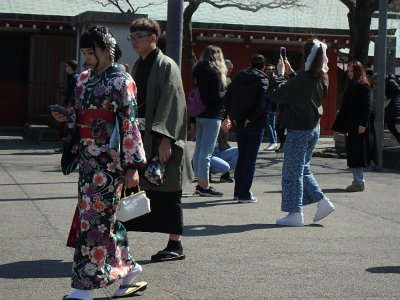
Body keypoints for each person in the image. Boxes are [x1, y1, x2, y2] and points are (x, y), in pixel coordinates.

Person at [51, 26, 147, 300]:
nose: (86, 59)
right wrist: (67, 116)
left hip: (110, 162)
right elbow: (77, 112)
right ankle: (129, 270)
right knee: (102, 220)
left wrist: (132, 167)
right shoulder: (83, 79)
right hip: (88, 159)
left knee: (93, 223)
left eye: (90, 52)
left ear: (106, 50)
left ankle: (83, 290)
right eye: (83, 53)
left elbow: (129, 123)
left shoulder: (121, 80)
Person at [123, 17, 193, 262]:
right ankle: (120, 244)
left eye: (139, 37)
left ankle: (175, 244)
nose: (134, 41)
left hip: (161, 139)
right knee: (138, 189)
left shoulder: (166, 65)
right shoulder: (140, 64)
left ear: (154, 38)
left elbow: (173, 102)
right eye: (132, 37)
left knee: (168, 191)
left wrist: (166, 140)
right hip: (142, 138)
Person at [268, 39, 335, 226]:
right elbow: (301, 90)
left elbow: (276, 93)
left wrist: (280, 74)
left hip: (298, 130)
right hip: (314, 128)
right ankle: (322, 202)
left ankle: (295, 213)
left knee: (292, 173)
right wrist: (291, 73)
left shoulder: (302, 79)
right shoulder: (323, 77)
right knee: (302, 169)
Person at [225, 54, 269, 203]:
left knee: (242, 157)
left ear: (250, 63)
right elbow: (264, 103)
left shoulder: (239, 77)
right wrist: (253, 118)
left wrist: (233, 116)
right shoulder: (263, 79)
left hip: (239, 121)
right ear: (263, 66)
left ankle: (238, 192)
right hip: (254, 123)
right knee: (250, 159)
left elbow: (228, 96)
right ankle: (245, 194)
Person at [332, 61, 375, 192]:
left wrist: (363, 124)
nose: (349, 73)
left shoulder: (363, 86)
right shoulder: (352, 86)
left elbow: (367, 107)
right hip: (352, 125)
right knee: (354, 152)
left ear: (357, 72)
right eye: (348, 71)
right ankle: (359, 180)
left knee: (357, 153)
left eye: (351, 71)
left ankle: (358, 181)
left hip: (358, 126)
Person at [192, 45, 228, 197]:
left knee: (199, 149)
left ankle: (200, 182)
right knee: (207, 151)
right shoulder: (215, 73)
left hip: (199, 113)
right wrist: (227, 93)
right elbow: (216, 98)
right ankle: (204, 185)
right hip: (212, 115)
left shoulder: (198, 70)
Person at [263, 63, 279, 151]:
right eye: (268, 69)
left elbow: (275, 94)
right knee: (271, 125)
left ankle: (273, 142)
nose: (270, 71)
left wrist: (276, 108)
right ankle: (274, 142)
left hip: (271, 106)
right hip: (269, 105)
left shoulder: (275, 80)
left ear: (274, 70)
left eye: (271, 69)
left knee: (267, 124)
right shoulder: (267, 79)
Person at [385, 73, 400, 144]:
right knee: (391, 127)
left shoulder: (389, 81)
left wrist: (388, 96)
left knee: (391, 126)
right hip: (391, 108)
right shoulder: (391, 81)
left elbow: (398, 90)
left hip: (390, 108)